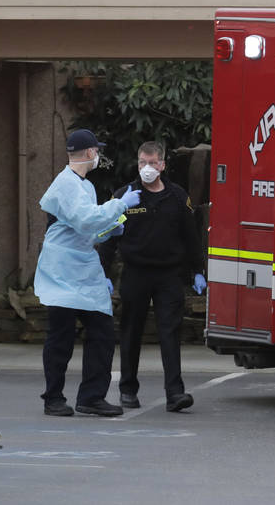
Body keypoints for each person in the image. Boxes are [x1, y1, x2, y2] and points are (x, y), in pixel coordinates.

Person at [35, 128, 140, 417]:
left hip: (81, 268)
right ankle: (53, 398)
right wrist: (120, 205)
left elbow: (88, 227)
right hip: (62, 271)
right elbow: (85, 219)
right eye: (98, 151)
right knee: (60, 338)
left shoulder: (85, 185)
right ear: (92, 153)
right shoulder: (67, 184)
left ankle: (91, 397)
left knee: (102, 334)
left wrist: (111, 228)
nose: (99, 156)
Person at [99, 141, 206, 413]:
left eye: (151, 163)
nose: (146, 168)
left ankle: (175, 393)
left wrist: (197, 270)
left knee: (170, 333)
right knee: (131, 332)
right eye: (141, 163)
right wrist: (103, 272)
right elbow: (109, 237)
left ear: (162, 165)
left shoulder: (178, 197)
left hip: (169, 274)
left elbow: (191, 237)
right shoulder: (126, 196)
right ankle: (127, 390)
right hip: (136, 272)